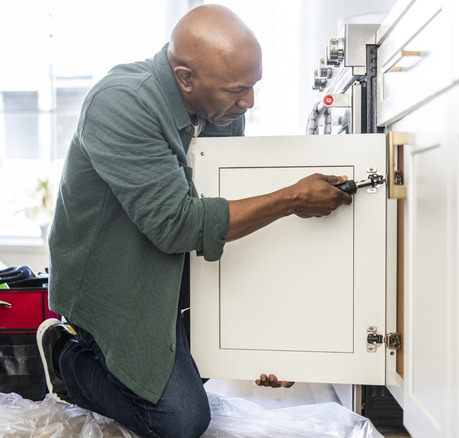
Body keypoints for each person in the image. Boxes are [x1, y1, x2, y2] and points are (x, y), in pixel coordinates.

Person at [37, 4, 352, 438]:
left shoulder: (223, 114)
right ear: (186, 77)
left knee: (199, 372)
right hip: (112, 280)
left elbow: (222, 219)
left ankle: (158, 362)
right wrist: (291, 198)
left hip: (176, 272)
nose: (249, 103)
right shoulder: (121, 103)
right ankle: (66, 357)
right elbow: (179, 226)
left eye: (253, 86)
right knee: (180, 420)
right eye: (236, 90)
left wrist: (265, 345)